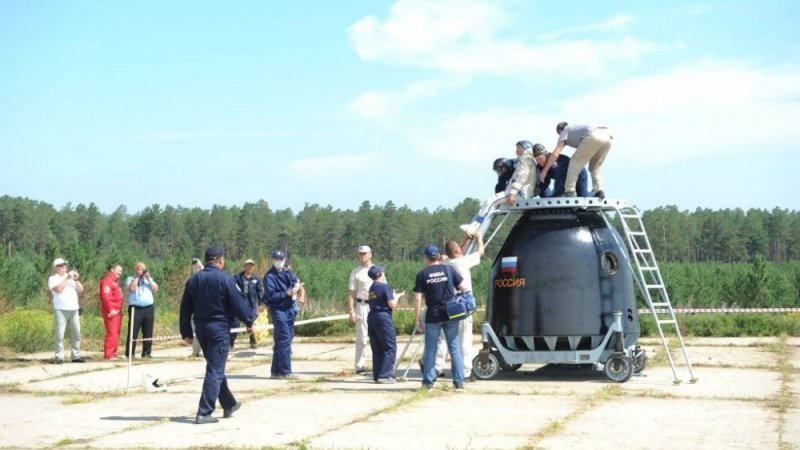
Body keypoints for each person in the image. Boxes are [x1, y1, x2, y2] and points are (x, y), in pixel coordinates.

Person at [180, 246, 254, 424]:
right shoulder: (225, 279)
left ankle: (229, 404)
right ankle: (204, 412)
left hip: (201, 329)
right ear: (220, 260)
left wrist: (186, 332)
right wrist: (250, 322)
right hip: (219, 329)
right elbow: (238, 303)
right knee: (215, 369)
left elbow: (185, 308)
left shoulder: (193, 280)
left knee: (215, 366)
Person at [434, 231, 485, 382]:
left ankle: (436, 368)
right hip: (462, 306)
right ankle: (466, 372)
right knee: (464, 340)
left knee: (443, 339)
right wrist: (479, 237)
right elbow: (480, 253)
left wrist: (464, 241)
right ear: (457, 251)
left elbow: (455, 252)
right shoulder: (463, 262)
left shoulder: (445, 264)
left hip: (448, 306)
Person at [413, 245, 466, 390]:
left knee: (431, 350)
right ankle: (459, 383)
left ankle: (428, 383)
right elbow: (464, 288)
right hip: (450, 314)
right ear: (438, 257)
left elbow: (417, 298)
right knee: (454, 348)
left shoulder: (422, 274)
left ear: (426, 258)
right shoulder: (449, 270)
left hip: (433, 316)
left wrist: (417, 319)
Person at [460, 141, 537, 236]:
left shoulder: (525, 159)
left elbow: (522, 176)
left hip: (519, 193)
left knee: (490, 201)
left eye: (518, 148)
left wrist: (512, 193)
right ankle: (475, 223)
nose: (516, 151)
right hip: (521, 192)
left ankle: (474, 227)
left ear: (524, 147)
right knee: (492, 204)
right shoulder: (527, 159)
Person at [539, 121, 612, 198]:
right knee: (595, 167)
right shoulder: (575, 128)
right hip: (608, 136)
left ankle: (569, 191)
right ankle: (599, 191)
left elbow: (555, 154)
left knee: (574, 162)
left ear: (560, 131)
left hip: (593, 135)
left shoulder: (564, 131)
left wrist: (544, 171)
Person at [263, 250, 304, 379]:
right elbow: (271, 296)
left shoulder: (287, 272)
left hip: (289, 309)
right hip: (278, 310)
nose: (279, 261)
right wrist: (287, 293)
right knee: (285, 339)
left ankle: (275, 371)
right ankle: (286, 371)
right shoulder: (269, 277)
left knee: (283, 339)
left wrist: (296, 286)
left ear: (284, 259)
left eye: (281, 259)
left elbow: (294, 281)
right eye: (276, 259)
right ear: (273, 259)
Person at [366, 265, 401, 383]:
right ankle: (385, 375)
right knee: (390, 347)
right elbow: (392, 304)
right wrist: (397, 297)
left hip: (372, 317)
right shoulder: (384, 287)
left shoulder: (372, 288)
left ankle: (378, 374)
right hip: (383, 317)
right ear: (380, 274)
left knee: (377, 348)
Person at [48, 258, 85, 364]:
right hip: (61, 309)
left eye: (65, 265)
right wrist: (67, 278)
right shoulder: (53, 278)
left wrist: (76, 280)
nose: (64, 266)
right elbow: (59, 289)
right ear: (56, 267)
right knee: (60, 334)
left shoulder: (71, 278)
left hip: (74, 309)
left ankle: (75, 356)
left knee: (76, 333)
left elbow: (81, 289)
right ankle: (59, 357)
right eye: (61, 265)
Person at [347, 245, 374, 374]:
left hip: (375, 306)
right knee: (362, 337)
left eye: (364, 253)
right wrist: (351, 311)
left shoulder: (378, 270)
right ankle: (360, 366)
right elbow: (351, 293)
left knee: (376, 336)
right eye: (360, 254)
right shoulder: (355, 272)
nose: (362, 256)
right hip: (361, 306)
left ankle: (378, 363)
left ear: (370, 254)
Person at [125, 261, 159, 359]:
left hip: (148, 308)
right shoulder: (130, 279)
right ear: (135, 270)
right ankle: (130, 353)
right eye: (139, 269)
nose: (142, 271)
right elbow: (131, 289)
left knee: (148, 331)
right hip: (136, 309)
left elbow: (156, 289)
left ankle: (147, 352)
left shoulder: (148, 280)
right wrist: (137, 277)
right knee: (133, 331)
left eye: (143, 269)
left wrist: (149, 279)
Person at [233, 259, 264, 349]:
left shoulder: (256, 279)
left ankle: (253, 342)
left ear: (253, 267)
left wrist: (261, 303)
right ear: (244, 266)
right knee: (235, 323)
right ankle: (230, 343)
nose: (249, 267)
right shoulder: (237, 277)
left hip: (251, 305)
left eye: (251, 265)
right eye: (248, 265)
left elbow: (260, 292)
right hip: (239, 305)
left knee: (252, 323)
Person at [98, 263, 124, 360]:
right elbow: (105, 297)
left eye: (121, 271)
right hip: (111, 311)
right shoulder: (107, 281)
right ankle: (109, 354)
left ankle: (114, 353)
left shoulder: (116, 281)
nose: (120, 273)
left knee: (116, 333)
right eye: (118, 271)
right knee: (112, 332)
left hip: (117, 311)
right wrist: (111, 309)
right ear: (112, 270)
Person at [189, 257, 205, 357]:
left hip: (206, 307)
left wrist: (201, 266)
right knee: (195, 332)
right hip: (195, 309)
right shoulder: (193, 278)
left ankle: (208, 351)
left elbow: (207, 273)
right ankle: (195, 351)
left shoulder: (205, 275)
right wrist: (195, 269)